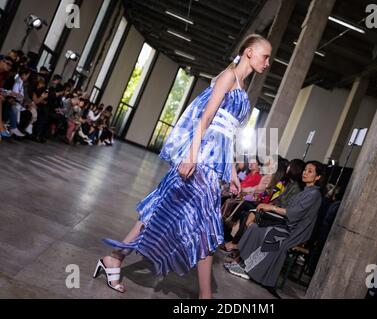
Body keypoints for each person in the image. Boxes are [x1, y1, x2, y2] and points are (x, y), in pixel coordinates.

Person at [94, 34, 272, 299]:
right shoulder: (228, 77)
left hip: (212, 165)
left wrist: (233, 172)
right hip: (200, 162)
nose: (268, 63)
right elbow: (205, 117)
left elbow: (228, 135)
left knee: (161, 210)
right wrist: (190, 156)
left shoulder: (242, 86)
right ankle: (205, 296)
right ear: (249, 52)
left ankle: (115, 257)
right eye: (265, 56)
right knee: (205, 226)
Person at [225, 161, 324, 298]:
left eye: (310, 171)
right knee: (256, 227)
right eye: (305, 170)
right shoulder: (306, 191)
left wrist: (271, 208)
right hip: (287, 224)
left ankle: (251, 271)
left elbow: (294, 213)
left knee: (271, 234)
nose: (305, 173)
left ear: (318, 177)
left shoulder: (313, 194)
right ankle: (244, 264)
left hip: (295, 231)